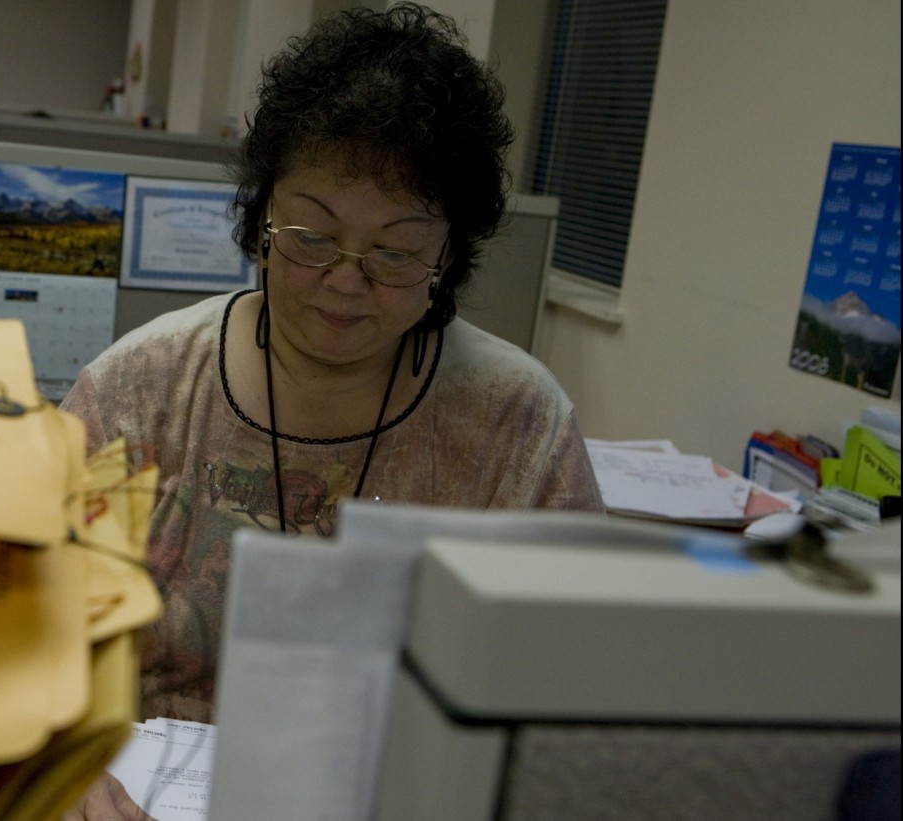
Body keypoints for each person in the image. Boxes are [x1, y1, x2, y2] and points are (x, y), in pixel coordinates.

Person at [59, 6, 603, 813]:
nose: (347, 282)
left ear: (448, 254)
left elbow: (576, 697)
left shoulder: (517, 427)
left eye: (394, 252)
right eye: (312, 236)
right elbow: (12, 639)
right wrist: (62, 767)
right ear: (263, 218)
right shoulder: (140, 390)